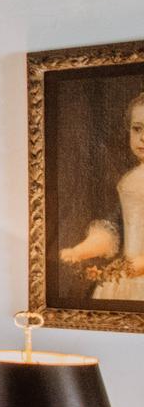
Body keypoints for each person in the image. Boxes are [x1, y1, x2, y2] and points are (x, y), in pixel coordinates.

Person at [59, 90, 144, 299]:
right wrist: (83, 249)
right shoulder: (130, 180)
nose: (143, 138)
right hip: (127, 278)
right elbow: (116, 226)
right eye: (137, 129)